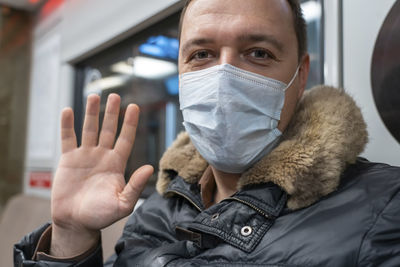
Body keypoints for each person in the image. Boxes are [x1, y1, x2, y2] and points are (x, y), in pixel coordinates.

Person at [14, 0, 400, 266]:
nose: (223, 79)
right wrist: (71, 236)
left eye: (258, 53)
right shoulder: (158, 209)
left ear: (299, 77)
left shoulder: (383, 209)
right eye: (202, 55)